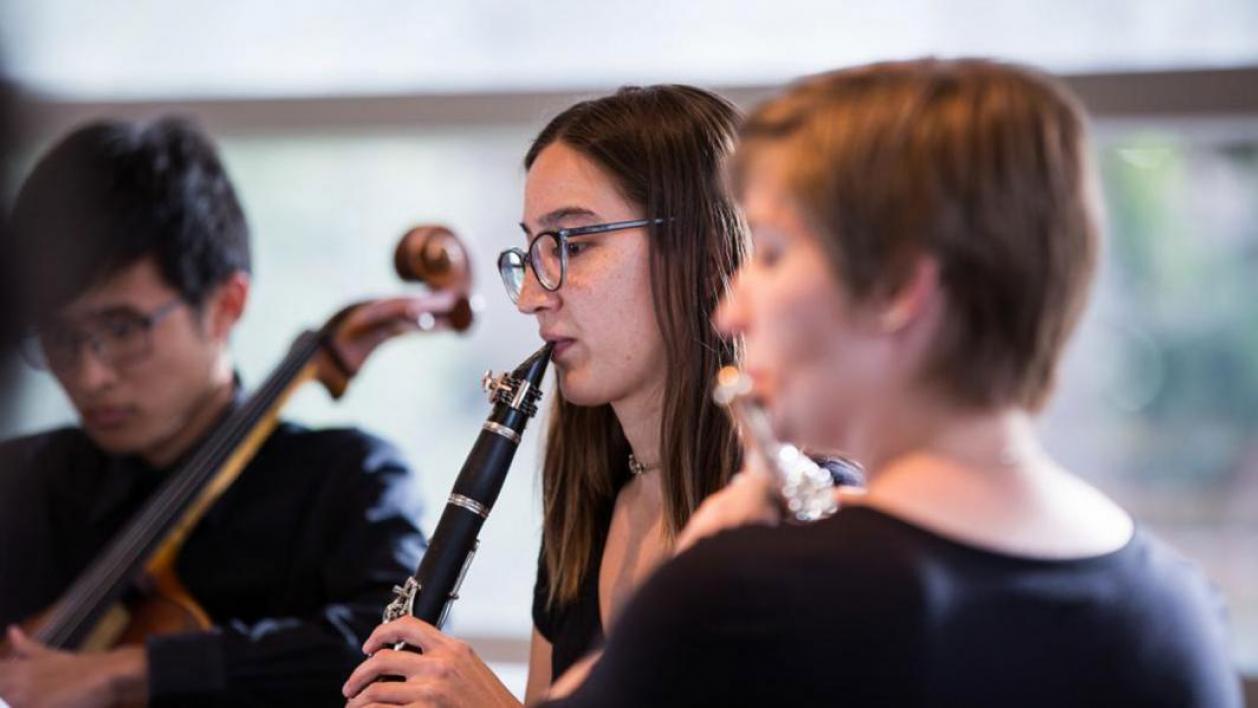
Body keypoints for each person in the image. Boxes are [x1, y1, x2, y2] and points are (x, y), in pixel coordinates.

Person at [539, 59, 1243, 706]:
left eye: (774, 252)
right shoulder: (1181, 613)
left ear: (900, 287)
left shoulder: (742, 597)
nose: (732, 306)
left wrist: (686, 583)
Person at [341, 85, 752, 706]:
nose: (533, 295)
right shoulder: (586, 511)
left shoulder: (807, 520)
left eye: (573, 246)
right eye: (531, 252)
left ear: (704, 252)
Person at [0, 117, 429, 707]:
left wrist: (136, 670)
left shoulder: (349, 480)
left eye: (122, 328)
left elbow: (397, 651)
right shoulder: (19, 483)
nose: (90, 374)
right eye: (59, 337)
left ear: (227, 304)